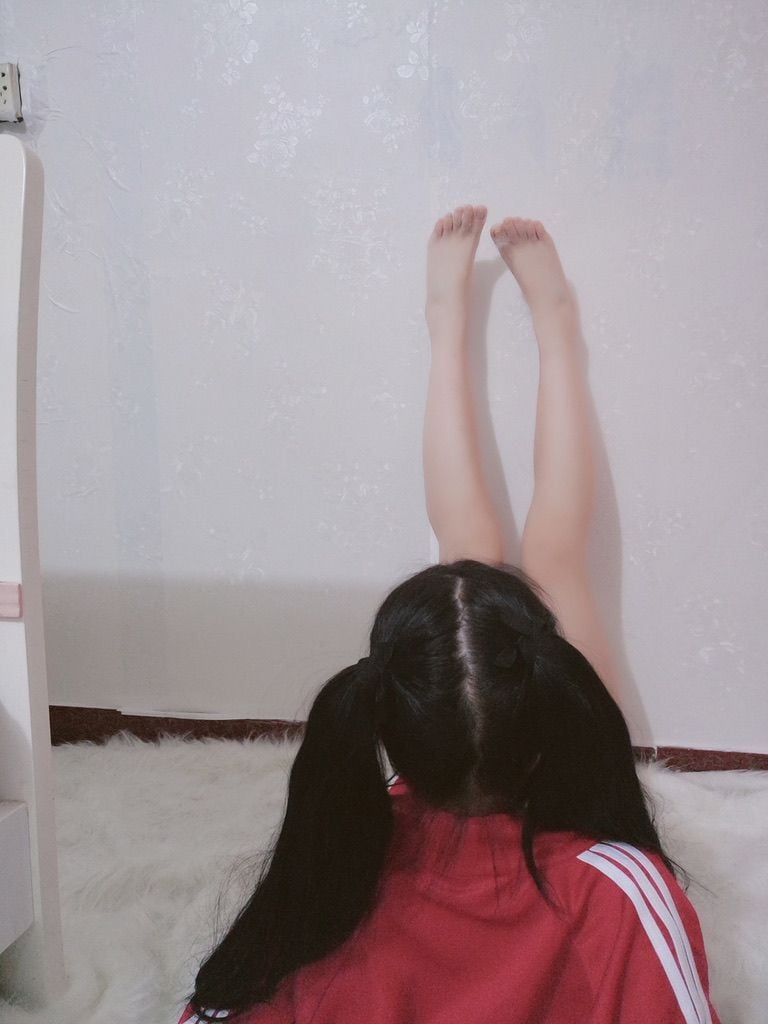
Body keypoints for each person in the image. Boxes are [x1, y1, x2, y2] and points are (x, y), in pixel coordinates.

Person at [178, 208, 722, 1023]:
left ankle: (449, 332)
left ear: (389, 727)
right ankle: (553, 333)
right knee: (553, 559)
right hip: (563, 803)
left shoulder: (333, 871)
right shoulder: (616, 889)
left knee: (481, 554)